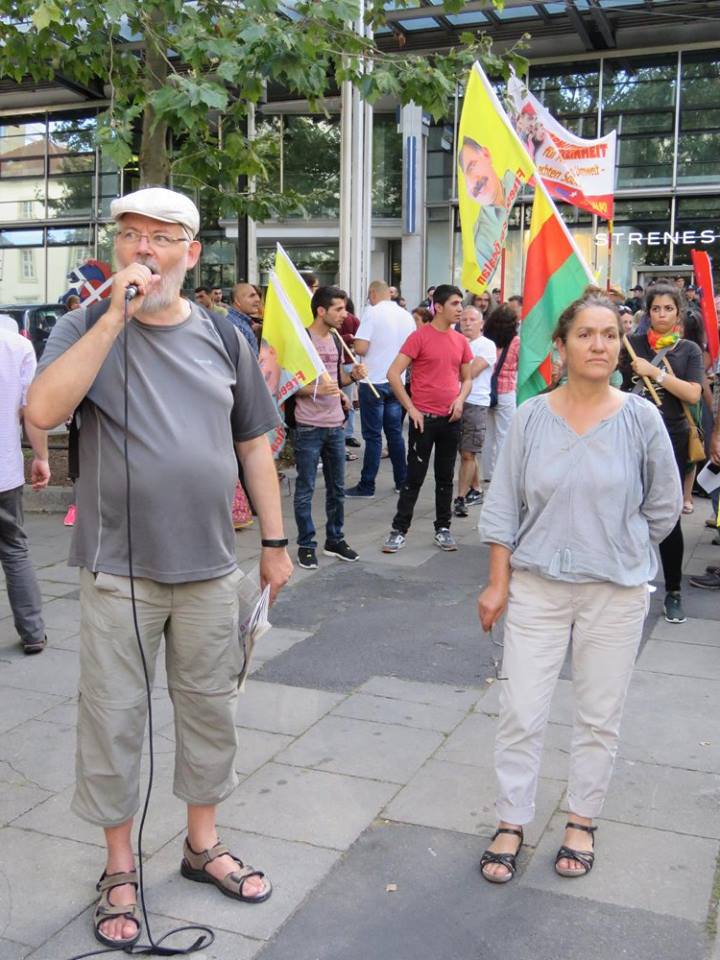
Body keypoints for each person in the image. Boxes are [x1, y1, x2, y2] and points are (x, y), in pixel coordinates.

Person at [26, 187, 292, 949]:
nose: (144, 249)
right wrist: (114, 316)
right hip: (119, 570)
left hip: (211, 566)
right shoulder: (84, 325)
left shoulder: (223, 334)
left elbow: (252, 444)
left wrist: (275, 545)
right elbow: (40, 412)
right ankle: (117, 867)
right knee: (113, 719)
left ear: (191, 253)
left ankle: (201, 844)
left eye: (161, 237)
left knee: (211, 710)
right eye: (130, 236)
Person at [477, 293, 681, 885]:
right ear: (560, 347)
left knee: (598, 714)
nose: (600, 345)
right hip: (537, 587)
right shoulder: (533, 417)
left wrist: (625, 548)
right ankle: (511, 820)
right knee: (521, 709)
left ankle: (581, 820)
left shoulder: (641, 418)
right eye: (587, 335)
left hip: (614, 592)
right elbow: (502, 504)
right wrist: (498, 582)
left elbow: (664, 504)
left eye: (611, 335)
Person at [619, 281, 703, 624]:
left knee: (667, 516)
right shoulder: (631, 343)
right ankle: (625, 581)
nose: (662, 314)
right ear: (647, 312)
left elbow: (694, 394)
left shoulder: (688, 350)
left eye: (669, 309)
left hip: (671, 437)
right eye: (656, 309)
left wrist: (656, 373)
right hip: (630, 434)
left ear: (678, 312)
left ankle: (673, 591)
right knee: (624, 508)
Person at [382, 284, 472, 553]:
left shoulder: (461, 341)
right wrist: (411, 408)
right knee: (414, 477)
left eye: (461, 304)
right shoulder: (419, 337)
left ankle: (443, 528)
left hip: (451, 419)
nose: (460, 309)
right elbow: (393, 374)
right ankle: (399, 530)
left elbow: (467, 378)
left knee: (445, 477)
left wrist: (460, 399)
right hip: (424, 419)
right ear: (440, 307)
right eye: (455, 304)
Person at [292, 285, 367, 570]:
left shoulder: (337, 339)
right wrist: (316, 389)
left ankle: (335, 538)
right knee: (306, 487)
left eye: (344, 308)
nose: (344, 314)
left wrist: (353, 377)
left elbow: (337, 382)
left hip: (336, 424)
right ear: (321, 310)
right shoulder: (303, 340)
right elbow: (289, 386)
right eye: (338, 309)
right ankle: (306, 544)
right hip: (309, 425)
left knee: (337, 487)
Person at [0, 314, 50, 655]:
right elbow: (31, 410)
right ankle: (32, 632)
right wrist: (41, 456)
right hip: (3, 469)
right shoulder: (17, 345)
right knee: (14, 548)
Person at [346, 281, 415, 499]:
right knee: (395, 434)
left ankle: (367, 485)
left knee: (373, 436)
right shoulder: (406, 315)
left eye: (369, 295)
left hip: (372, 381)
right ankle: (401, 481)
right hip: (397, 382)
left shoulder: (372, 312)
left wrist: (355, 342)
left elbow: (361, 348)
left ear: (374, 294)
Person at [459, 137, 521, 284]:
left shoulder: (514, 176)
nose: (474, 180)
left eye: (473, 166)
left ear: (486, 155)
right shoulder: (480, 240)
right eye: (467, 176)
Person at [453, 306, 495, 517]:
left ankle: (460, 497)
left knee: (468, 452)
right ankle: (476, 489)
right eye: (464, 319)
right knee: (464, 451)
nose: (467, 323)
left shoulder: (487, 345)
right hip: (453, 401)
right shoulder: (454, 340)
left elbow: (470, 372)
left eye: (472, 319)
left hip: (475, 402)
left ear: (481, 323)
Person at [482, 305, 520, 483]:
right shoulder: (516, 342)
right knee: (504, 434)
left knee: (488, 434)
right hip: (506, 391)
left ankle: (487, 473)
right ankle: (501, 474)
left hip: (487, 390)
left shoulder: (486, 340)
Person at [228, 282, 261, 356]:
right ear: (237, 301)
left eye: (257, 296)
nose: (258, 299)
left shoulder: (237, 322)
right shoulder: (239, 327)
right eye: (252, 296)